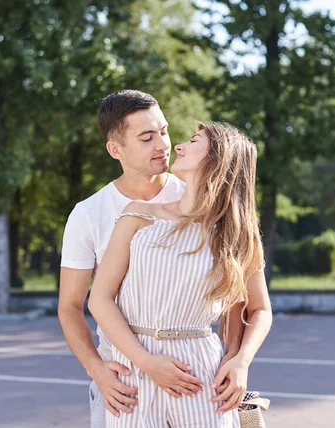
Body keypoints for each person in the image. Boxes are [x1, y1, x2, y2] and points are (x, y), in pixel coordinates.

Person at [58, 90, 244, 427]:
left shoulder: (197, 193)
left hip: (195, 374)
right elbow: (71, 306)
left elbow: (234, 294)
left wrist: (235, 359)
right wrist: (97, 370)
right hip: (122, 383)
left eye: (163, 131)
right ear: (116, 149)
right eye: (146, 137)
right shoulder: (88, 214)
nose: (163, 144)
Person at [88, 122, 273, 427]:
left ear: (218, 158)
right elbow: (99, 299)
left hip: (201, 374)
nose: (178, 146)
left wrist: (242, 361)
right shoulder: (139, 215)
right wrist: (146, 362)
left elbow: (260, 309)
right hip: (135, 368)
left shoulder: (237, 234)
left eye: (193, 140)